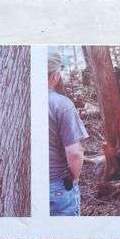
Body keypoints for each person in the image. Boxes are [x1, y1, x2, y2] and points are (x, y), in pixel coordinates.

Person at [48, 50, 88, 216]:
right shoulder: (61, 104)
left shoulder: (17, 101)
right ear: (55, 76)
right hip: (57, 187)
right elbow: (75, 153)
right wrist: (74, 179)